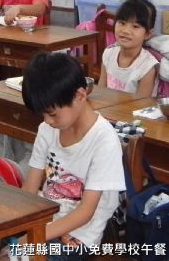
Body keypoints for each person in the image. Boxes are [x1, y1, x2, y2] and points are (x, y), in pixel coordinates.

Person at [21, 52, 125, 258]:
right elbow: (30, 189)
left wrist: (33, 239)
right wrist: (10, 226)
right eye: (43, 114)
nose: (47, 120)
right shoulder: (47, 130)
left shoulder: (104, 140)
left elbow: (85, 213)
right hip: (45, 221)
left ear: (80, 96)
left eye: (52, 113)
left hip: (80, 235)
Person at [98, 0, 159, 98]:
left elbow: (142, 104)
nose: (126, 31)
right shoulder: (108, 54)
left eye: (135, 26)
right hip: (107, 106)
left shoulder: (147, 67)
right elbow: (101, 93)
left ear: (148, 34)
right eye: (122, 23)